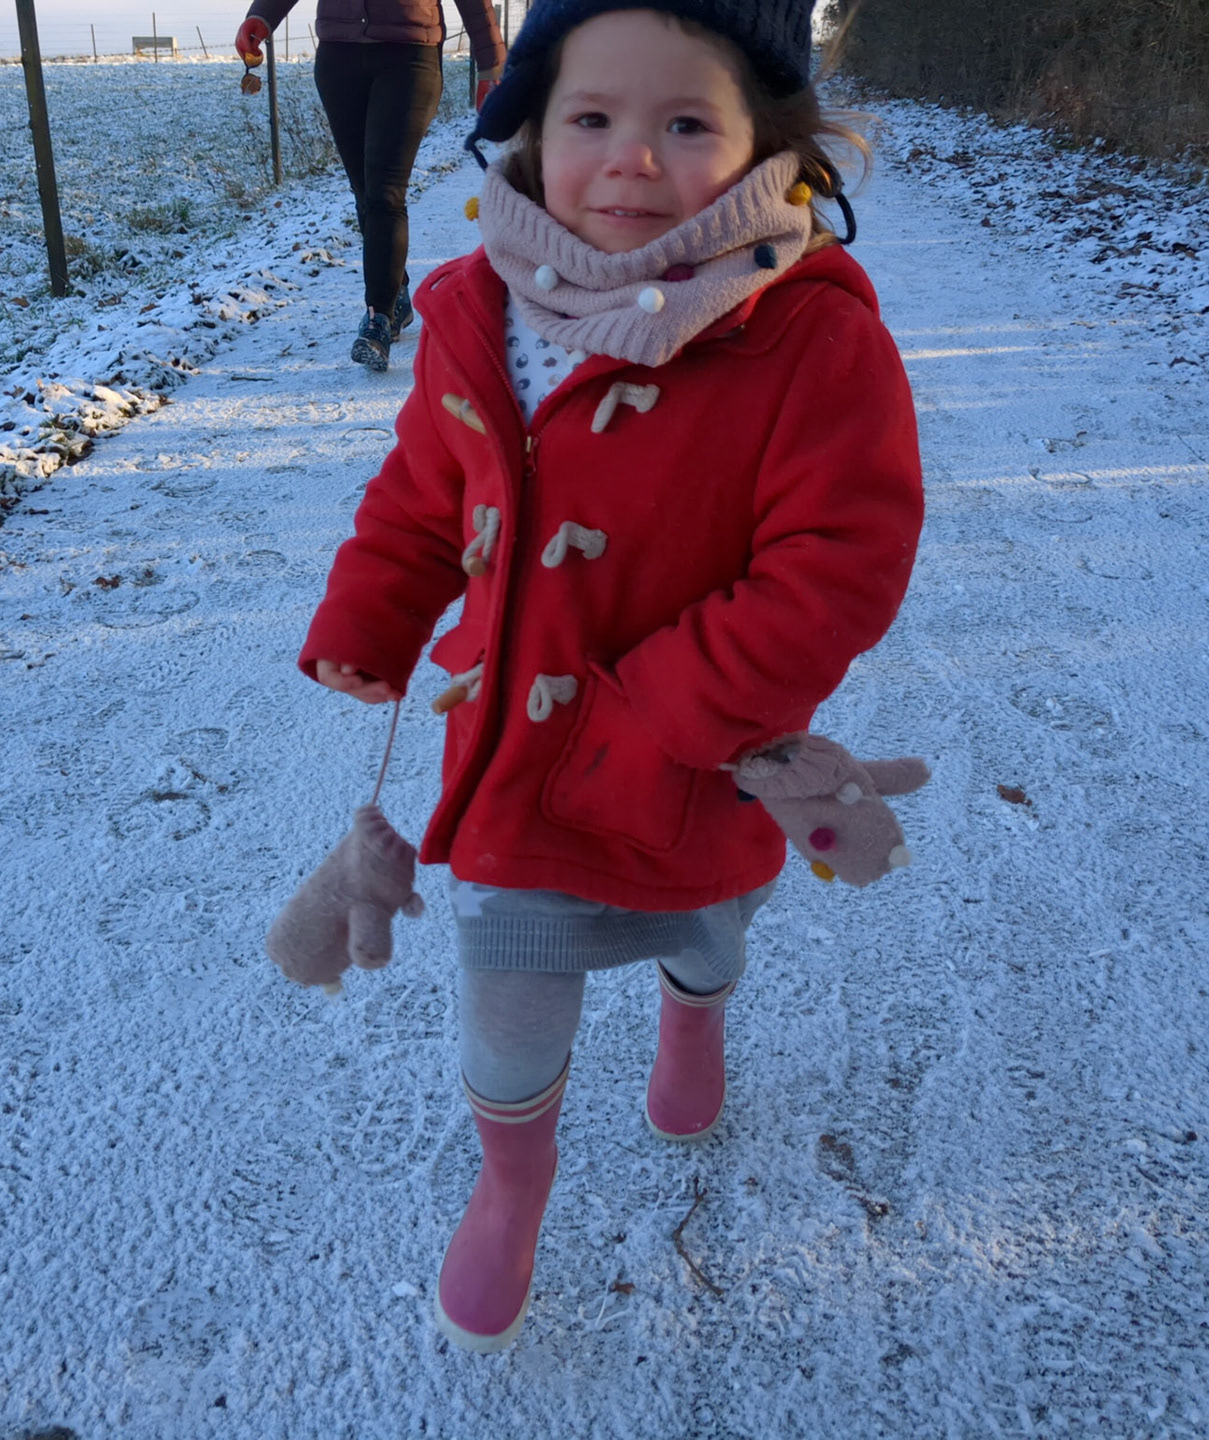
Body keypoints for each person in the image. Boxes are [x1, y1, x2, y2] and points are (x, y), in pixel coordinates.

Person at [295, 0, 924, 1352]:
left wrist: (667, 705)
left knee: (706, 934)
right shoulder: (478, 309)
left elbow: (841, 562)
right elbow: (423, 492)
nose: (632, 157)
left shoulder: (806, 337)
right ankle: (512, 1185)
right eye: (592, 117)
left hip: (690, 759)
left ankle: (695, 1025)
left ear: (767, 137)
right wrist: (372, 612)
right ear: (531, 125)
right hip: (514, 766)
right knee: (510, 996)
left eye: (686, 122)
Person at [235, 0, 504, 372]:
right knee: (365, 191)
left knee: (384, 193)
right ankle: (395, 294)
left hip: (410, 55)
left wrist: (491, 64)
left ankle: (377, 320)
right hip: (339, 56)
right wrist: (262, 16)